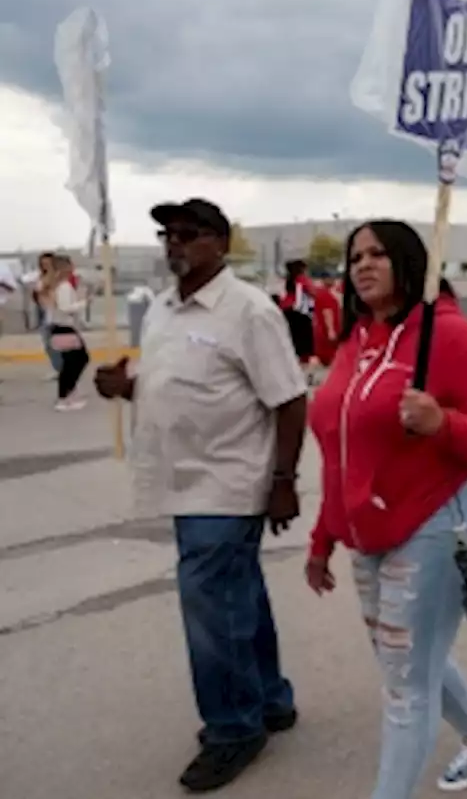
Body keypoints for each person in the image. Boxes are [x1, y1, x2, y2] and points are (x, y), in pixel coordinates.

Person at [93, 198, 308, 791]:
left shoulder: (249, 312)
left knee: (212, 610)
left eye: (188, 235)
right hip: (182, 482)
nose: (174, 245)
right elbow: (181, 384)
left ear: (220, 242)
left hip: (228, 484)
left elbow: (289, 400)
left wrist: (284, 483)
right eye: (167, 234)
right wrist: (126, 386)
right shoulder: (164, 309)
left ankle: (233, 729)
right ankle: (268, 701)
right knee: (239, 598)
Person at [306, 220, 467, 797]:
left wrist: (441, 423)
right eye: (355, 257)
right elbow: (339, 446)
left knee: (405, 683)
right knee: (407, 659)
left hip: (435, 523)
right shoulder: (358, 340)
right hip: (366, 531)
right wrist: (322, 539)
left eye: (378, 254)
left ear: (409, 262)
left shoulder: (449, 336)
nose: (363, 265)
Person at [44, 256, 90, 410]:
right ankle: (64, 396)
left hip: (61, 327)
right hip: (64, 328)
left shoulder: (59, 286)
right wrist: (84, 303)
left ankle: (68, 394)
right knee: (78, 360)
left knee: (72, 362)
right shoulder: (63, 286)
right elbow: (65, 307)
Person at [310, 272, 341, 369]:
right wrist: (331, 330)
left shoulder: (320, 293)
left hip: (320, 330)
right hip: (326, 331)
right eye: (331, 278)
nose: (334, 281)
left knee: (321, 358)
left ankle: (311, 375)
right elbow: (327, 313)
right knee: (331, 358)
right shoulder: (326, 295)